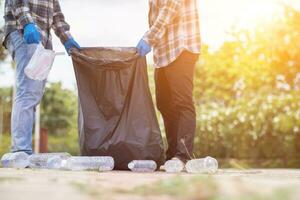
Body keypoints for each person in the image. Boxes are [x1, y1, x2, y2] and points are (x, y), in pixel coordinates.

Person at [3, 0, 80, 155]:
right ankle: (20, 151)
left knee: (33, 96)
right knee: (27, 93)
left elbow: (57, 17)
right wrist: (27, 24)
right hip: (22, 31)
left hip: (42, 41)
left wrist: (67, 39)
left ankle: (23, 149)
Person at [136, 0, 201, 163]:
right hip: (163, 53)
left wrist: (149, 38)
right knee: (164, 104)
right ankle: (172, 155)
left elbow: (170, 7)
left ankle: (183, 155)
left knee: (182, 102)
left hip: (181, 46)